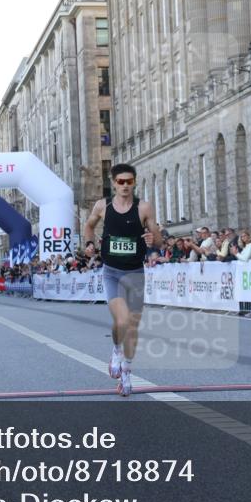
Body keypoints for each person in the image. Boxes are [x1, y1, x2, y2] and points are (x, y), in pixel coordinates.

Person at [82, 164, 162, 397]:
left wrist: (151, 236)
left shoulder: (143, 207)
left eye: (129, 182)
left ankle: (126, 372)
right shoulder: (103, 206)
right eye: (121, 182)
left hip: (135, 271)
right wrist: (89, 243)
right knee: (121, 319)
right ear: (114, 183)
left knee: (133, 326)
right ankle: (116, 350)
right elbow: (88, 226)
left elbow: (157, 242)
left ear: (134, 182)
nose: (125, 186)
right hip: (112, 271)